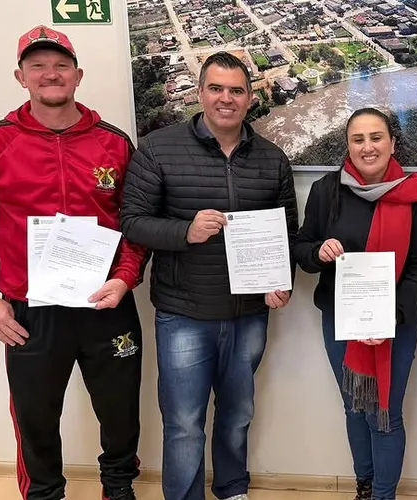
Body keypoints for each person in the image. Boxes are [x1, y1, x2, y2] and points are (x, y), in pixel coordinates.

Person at [0, 25, 147, 500]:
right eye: (37, 65)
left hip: (106, 305)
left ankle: (118, 489)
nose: (50, 74)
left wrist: (123, 280)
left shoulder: (114, 144)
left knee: (120, 412)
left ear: (78, 74)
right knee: (35, 417)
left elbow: (136, 226)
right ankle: (44, 494)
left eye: (60, 65)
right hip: (29, 312)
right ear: (20, 76)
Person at [119, 51, 298, 500]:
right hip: (184, 313)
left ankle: (233, 488)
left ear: (250, 98)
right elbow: (132, 221)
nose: (226, 99)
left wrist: (282, 279)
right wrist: (186, 231)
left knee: (238, 412)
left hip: (249, 313)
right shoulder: (158, 148)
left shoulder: (272, 159)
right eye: (216, 88)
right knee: (183, 422)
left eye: (236, 90)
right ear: (200, 93)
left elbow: (286, 231)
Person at [293, 107, 417, 500]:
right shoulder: (326, 190)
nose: (367, 147)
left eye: (376, 137)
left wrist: (391, 316)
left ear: (391, 142)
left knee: (384, 415)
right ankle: (365, 486)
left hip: (394, 322)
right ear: (348, 146)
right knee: (355, 407)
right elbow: (301, 248)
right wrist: (318, 251)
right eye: (358, 139)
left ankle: (383, 496)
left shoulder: (414, 195)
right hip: (340, 321)